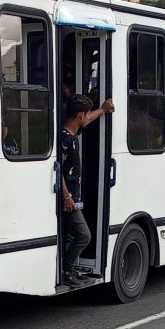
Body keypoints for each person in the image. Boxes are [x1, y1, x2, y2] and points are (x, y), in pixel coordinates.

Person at [61, 93, 115, 286]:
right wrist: (67, 197)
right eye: (86, 114)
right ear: (79, 116)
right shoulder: (65, 139)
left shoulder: (74, 133)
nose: (88, 117)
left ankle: (68, 271)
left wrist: (103, 110)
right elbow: (57, 169)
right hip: (68, 199)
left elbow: (90, 118)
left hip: (74, 197)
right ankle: (66, 269)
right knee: (84, 235)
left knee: (70, 236)